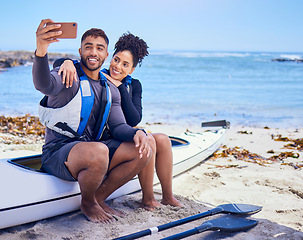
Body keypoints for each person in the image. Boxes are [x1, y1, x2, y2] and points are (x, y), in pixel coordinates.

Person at [33, 19, 152, 223]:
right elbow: (44, 84)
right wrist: (41, 50)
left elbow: (118, 126)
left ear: (106, 55)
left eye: (99, 48)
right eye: (88, 47)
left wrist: (137, 132)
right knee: (99, 150)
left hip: (91, 151)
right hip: (57, 153)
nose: (93, 52)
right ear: (80, 51)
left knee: (141, 149)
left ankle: (99, 197)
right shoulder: (67, 75)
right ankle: (87, 203)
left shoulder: (110, 89)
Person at [54, 33, 182, 210]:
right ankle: (147, 198)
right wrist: (65, 61)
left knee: (163, 139)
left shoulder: (133, 85)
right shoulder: (100, 77)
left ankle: (167, 196)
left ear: (132, 69)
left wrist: (120, 87)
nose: (118, 66)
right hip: (108, 137)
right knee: (149, 140)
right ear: (110, 58)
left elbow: (134, 118)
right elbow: (76, 66)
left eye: (125, 64)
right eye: (116, 59)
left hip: (125, 133)